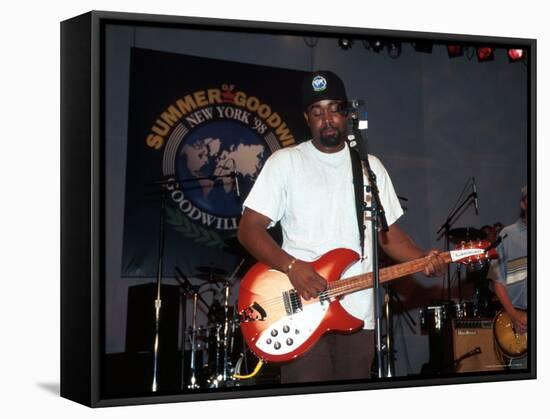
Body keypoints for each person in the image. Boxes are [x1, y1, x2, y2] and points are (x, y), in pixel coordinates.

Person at [237, 70, 446, 383]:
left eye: (334, 109)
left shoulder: (369, 167)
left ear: (346, 113)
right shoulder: (285, 162)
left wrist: (423, 259)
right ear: (307, 117)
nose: (327, 119)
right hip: (301, 309)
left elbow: (388, 237)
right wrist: (292, 266)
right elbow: (249, 229)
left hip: (359, 315)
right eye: (317, 111)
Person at [490, 186, 528, 368]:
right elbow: (497, 282)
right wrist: (512, 315)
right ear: (523, 204)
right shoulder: (507, 235)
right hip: (519, 322)